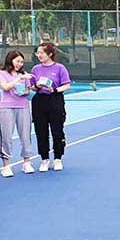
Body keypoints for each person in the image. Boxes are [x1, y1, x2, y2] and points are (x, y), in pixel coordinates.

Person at [30, 42, 71, 172]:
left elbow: (66, 85)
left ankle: (58, 158)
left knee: (57, 130)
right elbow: (32, 87)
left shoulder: (60, 68)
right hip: (39, 101)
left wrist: (54, 90)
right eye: (37, 53)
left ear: (50, 54)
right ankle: (44, 159)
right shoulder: (35, 69)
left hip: (55, 99)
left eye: (42, 52)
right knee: (41, 131)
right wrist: (37, 86)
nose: (39, 55)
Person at [0, 51, 34, 177]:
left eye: (21, 62)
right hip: (6, 107)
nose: (20, 64)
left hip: (23, 106)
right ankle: (6, 165)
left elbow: (27, 90)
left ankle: (26, 162)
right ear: (10, 60)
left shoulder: (24, 74)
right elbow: (5, 87)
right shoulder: (2, 73)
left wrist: (24, 92)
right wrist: (18, 79)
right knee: (6, 136)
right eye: (17, 61)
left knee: (25, 135)